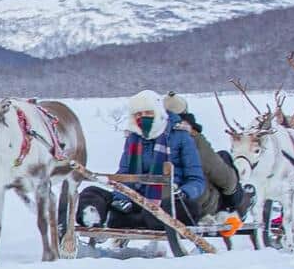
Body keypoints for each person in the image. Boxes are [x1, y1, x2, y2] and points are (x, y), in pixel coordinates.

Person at [78, 89, 206, 229]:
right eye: (138, 114)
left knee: (167, 210)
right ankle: (93, 217)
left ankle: (121, 220)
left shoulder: (180, 136)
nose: (143, 118)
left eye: (148, 113)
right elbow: (124, 174)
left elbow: (196, 180)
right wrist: (121, 198)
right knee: (91, 193)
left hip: (169, 200)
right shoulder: (133, 139)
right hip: (135, 199)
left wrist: (184, 193)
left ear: (158, 113)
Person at [170, 106, 245, 219]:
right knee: (224, 158)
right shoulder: (192, 140)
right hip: (194, 205)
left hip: (154, 201)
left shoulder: (147, 138)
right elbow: (225, 179)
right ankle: (235, 208)